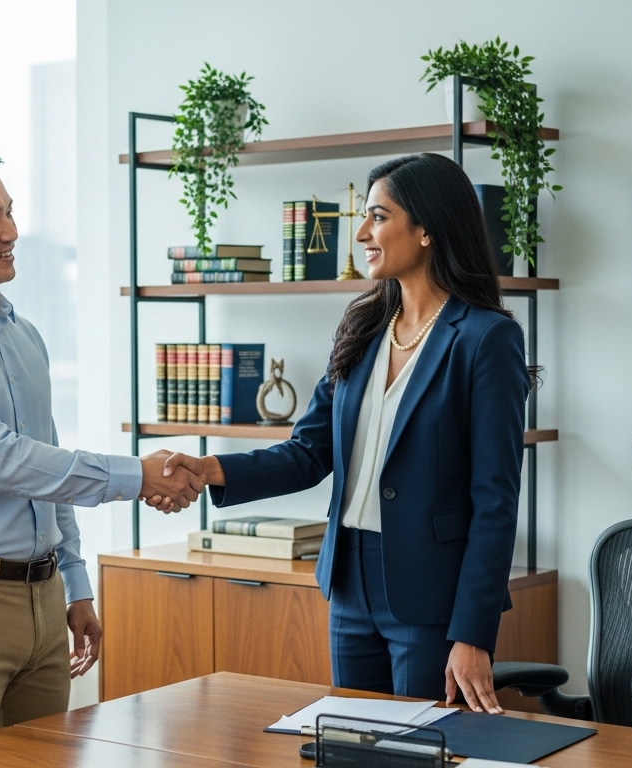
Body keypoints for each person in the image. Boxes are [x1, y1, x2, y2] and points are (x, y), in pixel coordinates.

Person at [148, 153, 529, 713]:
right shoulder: (364, 326)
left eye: (378, 216)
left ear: (426, 230)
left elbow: (495, 501)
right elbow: (309, 451)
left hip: (432, 594)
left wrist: (473, 634)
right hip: (349, 582)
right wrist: (210, 470)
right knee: (353, 741)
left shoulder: (484, 338)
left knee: (423, 749)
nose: (362, 233)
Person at [0, 147, 204, 749]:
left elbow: (45, 467)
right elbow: (4, 461)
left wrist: (75, 585)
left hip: (44, 597)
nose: (11, 232)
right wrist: (140, 475)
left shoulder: (22, 334)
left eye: (10, 213)